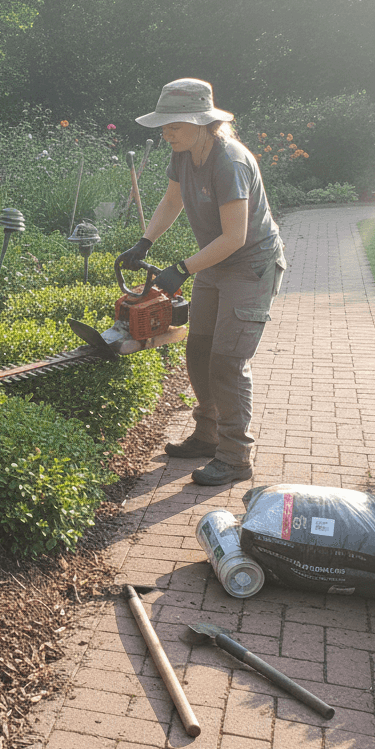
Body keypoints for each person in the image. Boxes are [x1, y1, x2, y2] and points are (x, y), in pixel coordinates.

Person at [117, 78, 287, 486]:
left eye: (174, 124)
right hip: (214, 261)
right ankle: (207, 434)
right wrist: (144, 241)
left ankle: (235, 457)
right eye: (164, 125)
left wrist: (182, 269)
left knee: (227, 361)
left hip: (250, 266)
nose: (166, 132)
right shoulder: (183, 153)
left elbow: (235, 237)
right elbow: (173, 199)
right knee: (198, 350)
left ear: (201, 122)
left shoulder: (229, 161)